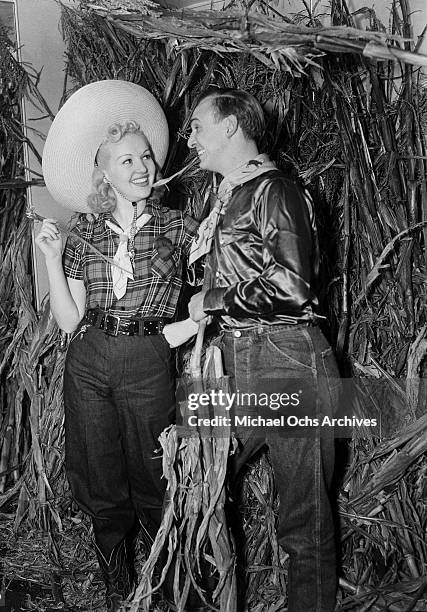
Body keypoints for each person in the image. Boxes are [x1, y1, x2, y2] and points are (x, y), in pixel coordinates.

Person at [36, 80, 199, 612]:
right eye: (125, 160)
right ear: (104, 172)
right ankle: (115, 578)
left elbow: (225, 286)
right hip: (89, 359)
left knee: (154, 472)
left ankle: (162, 578)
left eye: (145, 156)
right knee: (100, 474)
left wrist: (181, 331)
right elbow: (67, 320)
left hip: (148, 360)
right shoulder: (86, 232)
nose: (140, 168)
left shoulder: (181, 228)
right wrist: (51, 260)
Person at [186, 88, 339, 612]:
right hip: (236, 359)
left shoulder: (276, 191)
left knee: (305, 518)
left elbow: (295, 286)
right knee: (199, 490)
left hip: (289, 357)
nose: (191, 138)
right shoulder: (230, 196)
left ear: (230, 127)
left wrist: (214, 298)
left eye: (198, 126)